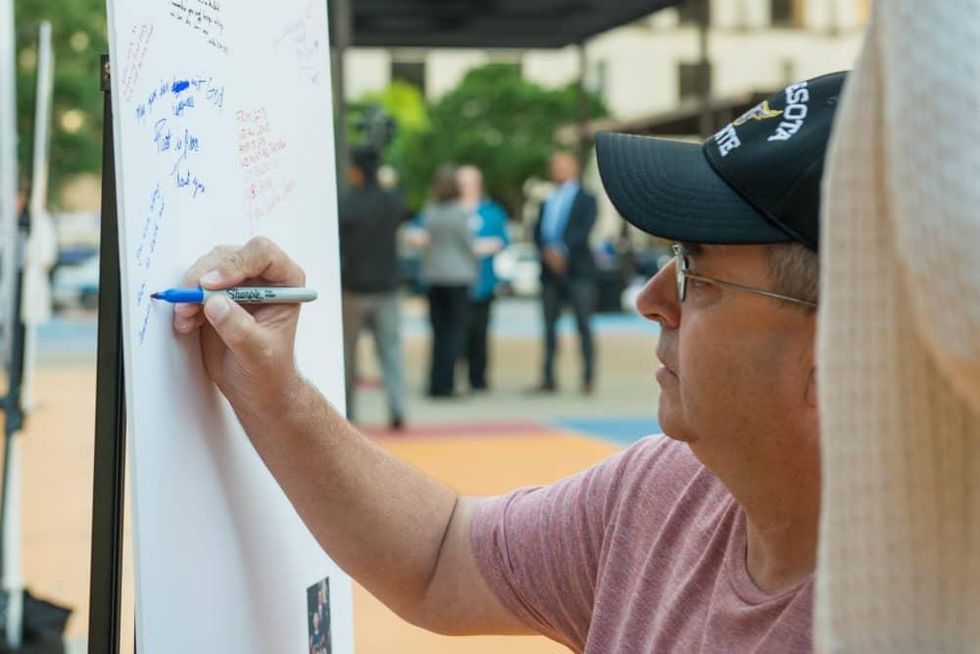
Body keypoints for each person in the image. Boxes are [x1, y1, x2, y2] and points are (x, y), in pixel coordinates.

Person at [172, 72, 844, 652]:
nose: (651, 298)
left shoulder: (920, 613)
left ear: (844, 340)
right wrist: (276, 395)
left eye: (695, 268)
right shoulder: (665, 492)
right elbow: (440, 558)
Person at [338, 147, 409, 429]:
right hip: (387, 287)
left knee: (349, 352)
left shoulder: (347, 204)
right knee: (391, 350)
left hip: (354, 288)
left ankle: (348, 409)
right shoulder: (391, 202)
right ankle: (397, 408)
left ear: (356, 171)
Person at [533, 151, 598, 395]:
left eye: (561, 165)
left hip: (578, 270)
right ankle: (548, 377)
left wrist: (562, 251)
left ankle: (588, 378)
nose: (556, 170)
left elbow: (584, 228)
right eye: (553, 166)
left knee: (583, 324)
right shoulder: (546, 200)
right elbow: (538, 232)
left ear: (574, 168)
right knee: (549, 326)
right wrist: (547, 252)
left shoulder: (587, 199)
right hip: (549, 272)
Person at [415, 165, 477, 398]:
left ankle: (435, 381)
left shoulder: (431, 212)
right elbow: (468, 245)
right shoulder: (459, 214)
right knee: (454, 333)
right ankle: (448, 383)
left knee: (438, 332)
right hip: (457, 277)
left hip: (435, 276)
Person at [456, 165, 509, 392]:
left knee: (480, 332)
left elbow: (502, 240)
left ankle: (478, 378)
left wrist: (480, 248)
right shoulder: (448, 210)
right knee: (455, 333)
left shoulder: (492, 211)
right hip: (454, 283)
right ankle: (453, 377)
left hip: (483, 284)